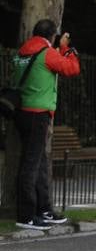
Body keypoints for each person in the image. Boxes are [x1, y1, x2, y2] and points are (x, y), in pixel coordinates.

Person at [11, 20, 80, 231]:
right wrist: (66, 48)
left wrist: (57, 49)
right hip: (38, 114)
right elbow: (71, 68)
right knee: (31, 165)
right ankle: (26, 215)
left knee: (39, 161)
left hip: (22, 111)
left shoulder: (23, 52)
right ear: (52, 36)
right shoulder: (47, 53)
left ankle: (44, 209)